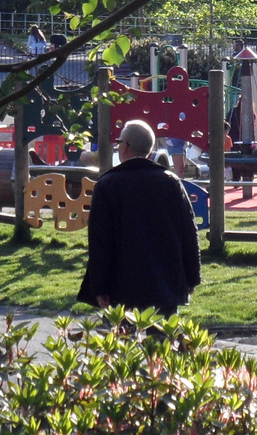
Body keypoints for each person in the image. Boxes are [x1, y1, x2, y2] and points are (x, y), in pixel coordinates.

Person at [77, 119, 201, 314]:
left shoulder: (108, 185)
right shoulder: (171, 182)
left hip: (123, 285)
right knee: (163, 340)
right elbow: (189, 231)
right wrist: (192, 276)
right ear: (149, 151)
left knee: (124, 340)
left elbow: (100, 240)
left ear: (125, 146)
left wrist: (99, 286)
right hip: (166, 283)